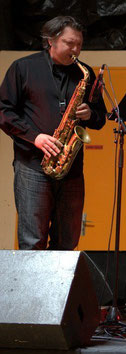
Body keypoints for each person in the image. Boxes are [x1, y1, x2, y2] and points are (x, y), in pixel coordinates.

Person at [0, 16, 107, 250]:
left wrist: (91, 114)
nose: (76, 49)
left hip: (72, 169)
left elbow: (101, 118)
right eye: (70, 43)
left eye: (79, 44)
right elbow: (4, 111)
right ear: (51, 41)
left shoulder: (85, 74)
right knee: (32, 242)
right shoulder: (23, 68)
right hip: (33, 165)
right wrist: (34, 137)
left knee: (67, 244)